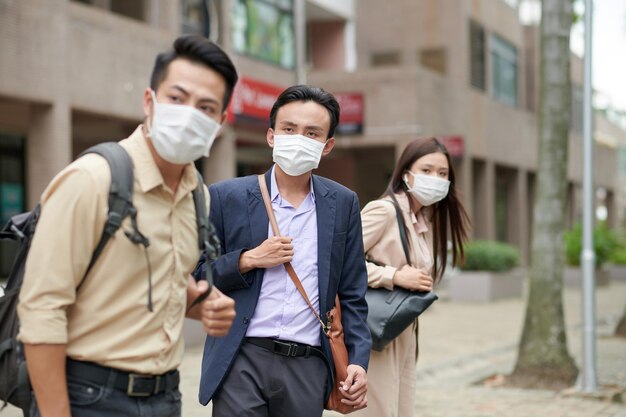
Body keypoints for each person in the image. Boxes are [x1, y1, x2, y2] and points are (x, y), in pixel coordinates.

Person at [17, 35, 238, 417]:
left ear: (219, 123)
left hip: (165, 396)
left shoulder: (196, 194)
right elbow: (41, 310)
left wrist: (200, 304)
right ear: (149, 102)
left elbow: (160, 276)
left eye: (205, 107)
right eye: (177, 98)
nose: (189, 114)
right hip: (88, 395)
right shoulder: (93, 179)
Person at [194, 85, 371, 417]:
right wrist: (247, 260)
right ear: (272, 136)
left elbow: (352, 292)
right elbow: (195, 273)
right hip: (241, 357)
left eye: (312, 132)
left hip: (307, 365)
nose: (298, 138)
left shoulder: (343, 204)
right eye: (289, 129)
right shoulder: (225, 197)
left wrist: (358, 359)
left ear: (327, 145)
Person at [354, 137, 470, 417]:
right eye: (427, 170)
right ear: (406, 174)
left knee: (401, 410)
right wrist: (393, 276)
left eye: (442, 174)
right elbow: (339, 262)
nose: (436, 179)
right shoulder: (384, 211)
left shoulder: (423, 222)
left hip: (404, 330)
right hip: (375, 330)